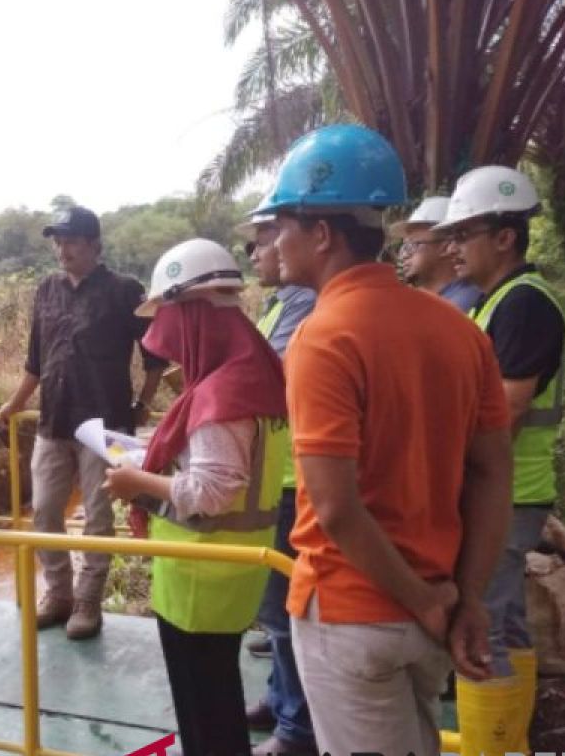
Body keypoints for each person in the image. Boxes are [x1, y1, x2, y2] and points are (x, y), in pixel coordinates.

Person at [259, 124, 513, 756]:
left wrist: (423, 602)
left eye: (280, 224)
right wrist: (465, 599)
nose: (272, 241)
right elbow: (491, 473)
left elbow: (338, 507)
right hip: (437, 600)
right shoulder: (458, 329)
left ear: (322, 232)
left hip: (354, 611)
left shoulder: (324, 336)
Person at [103, 238, 287, 756]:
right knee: (216, 699)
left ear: (191, 314)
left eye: (167, 319)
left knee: (204, 708)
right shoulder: (256, 372)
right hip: (227, 570)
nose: (163, 339)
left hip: (200, 576)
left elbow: (209, 490)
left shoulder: (223, 391)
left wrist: (134, 482)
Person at [434, 165, 565, 756]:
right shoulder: (498, 303)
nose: (452, 247)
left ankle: (497, 745)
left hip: (508, 494)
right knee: (498, 617)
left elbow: (504, 413)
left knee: (491, 620)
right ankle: (502, 740)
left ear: (505, 236)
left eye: (464, 235)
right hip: (497, 491)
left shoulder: (523, 306)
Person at [0, 204, 166, 639]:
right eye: (57, 241)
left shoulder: (125, 290)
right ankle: (59, 594)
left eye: (70, 240)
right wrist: (13, 405)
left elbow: (153, 360)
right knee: (45, 511)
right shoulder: (46, 290)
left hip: (104, 422)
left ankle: (89, 602)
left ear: (94, 244)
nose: (62, 249)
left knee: (96, 516)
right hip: (53, 419)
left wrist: (143, 406)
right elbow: (36, 359)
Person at [239, 214, 318, 756]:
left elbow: (274, 377)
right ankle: (280, 699)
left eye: (263, 242)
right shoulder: (278, 307)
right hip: (274, 474)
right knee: (275, 612)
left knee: (290, 611)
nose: (256, 255)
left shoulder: (304, 305)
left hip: (292, 478)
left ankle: (298, 730)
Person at [390, 196, 482, 312]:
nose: (404, 255)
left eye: (413, 245)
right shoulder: (429, 301)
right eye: (404, 246)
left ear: (446, 247)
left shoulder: (460, 304)